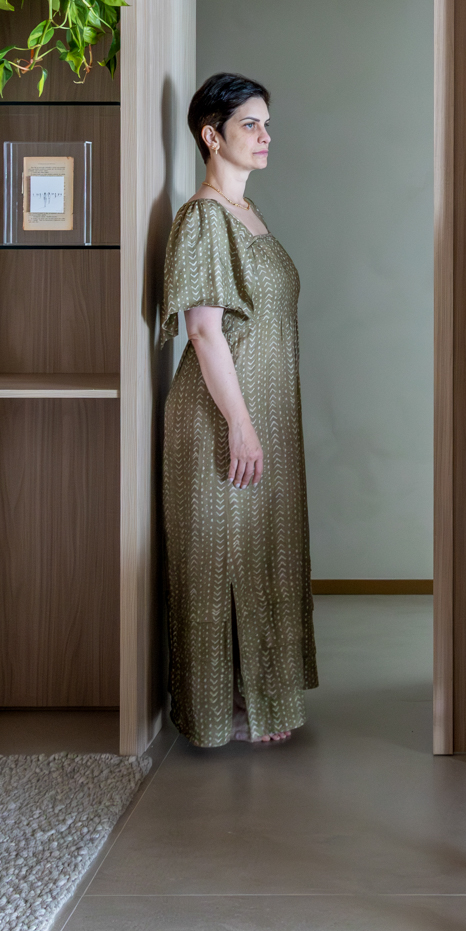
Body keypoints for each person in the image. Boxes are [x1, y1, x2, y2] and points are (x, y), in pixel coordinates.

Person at [159, 73, 317, 747]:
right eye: (250, 124)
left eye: (266, 124)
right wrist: (240, 424)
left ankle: (260, 699)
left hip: (259, 412)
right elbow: (203, 330)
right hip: (221, 417)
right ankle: (217, 709)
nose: (264, 136)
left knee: (258, 552)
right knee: (221, 558)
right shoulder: (203, 217)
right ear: (211, 135)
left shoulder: (248, 212)